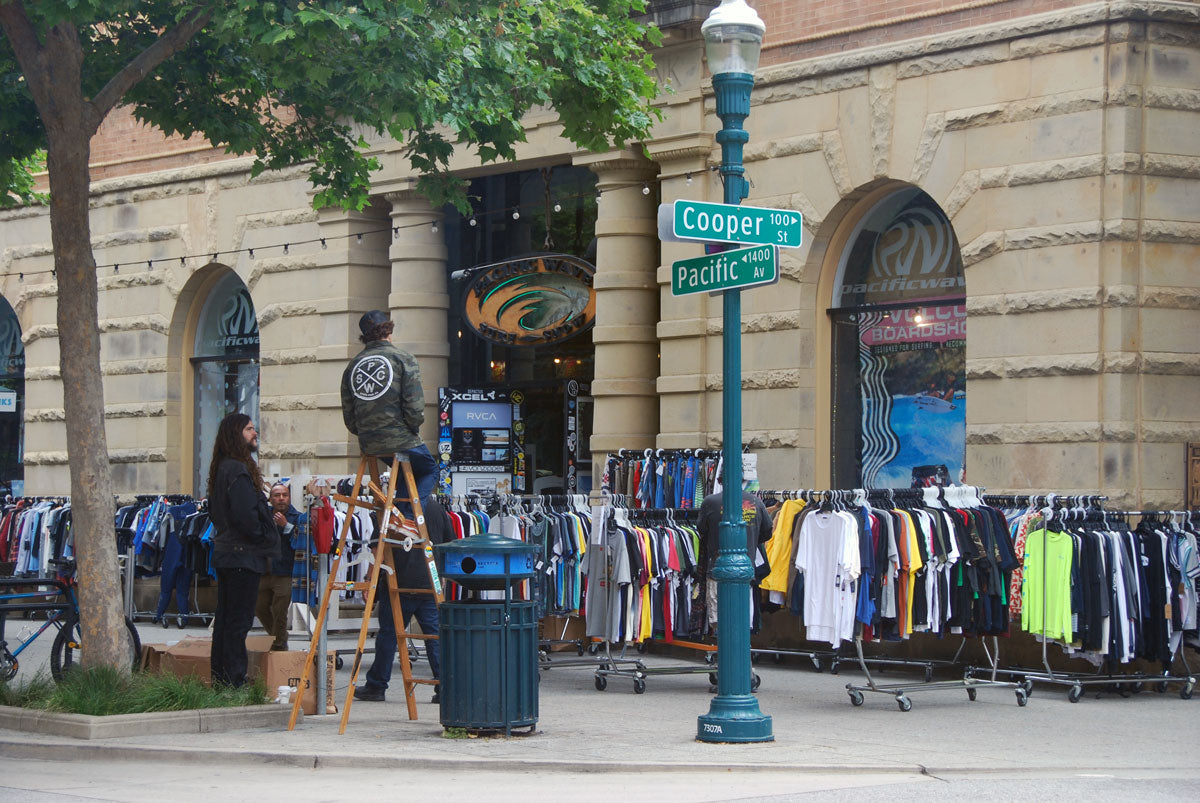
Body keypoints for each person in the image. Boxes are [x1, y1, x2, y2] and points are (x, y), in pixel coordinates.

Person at [353, 496, 452, 703]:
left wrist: (370, 577)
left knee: (388, 636)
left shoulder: (394, 507)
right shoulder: (436, 508)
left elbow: (376, 548)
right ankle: (445, 687)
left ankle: (376, 686)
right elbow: (448, 544)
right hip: (429, 581)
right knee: (434, 636)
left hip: (398, 581)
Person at [207, 413, 279, 687]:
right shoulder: (236, 469)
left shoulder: (223, 468)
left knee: (227, 620)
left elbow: (219, 512)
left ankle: (222, 678)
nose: (254, 433)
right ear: (236, 434)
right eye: (249, 429)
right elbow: (245, 514)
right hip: (241, 555)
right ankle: (234, 679)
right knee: (237, 621)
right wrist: (262, 536)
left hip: (230, 553)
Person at [340, 310, 436, 501]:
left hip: (369, 443)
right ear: (389, 331)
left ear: (364, 336)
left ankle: (396, 520)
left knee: (403, 468)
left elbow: (349, 415)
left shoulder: (353, 366)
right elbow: (414, 407)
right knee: (429, 469)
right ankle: (407, 519)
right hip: (400, 439)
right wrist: (411, 429)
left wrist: (366, 432)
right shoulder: (403, 358)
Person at [697, 490, 774, 632]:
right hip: (745, 571)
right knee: (742, 623)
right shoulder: (756, 502)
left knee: (721, 624)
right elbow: (767, 531)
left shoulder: (710, 502)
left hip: (718, 570)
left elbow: (701, 530)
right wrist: (749, 542)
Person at [255, 482, 305, 651]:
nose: (281, 499)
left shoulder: (297, 517)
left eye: (284, 495)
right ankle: (279, 638)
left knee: (279, 611)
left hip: (284, 572)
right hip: (264, 571)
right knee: (259, 607)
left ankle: (278, 646)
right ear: (271, 499)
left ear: (289, 498)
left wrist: (286, 526)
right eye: (277, 495)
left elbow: (300, 541)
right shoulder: (264, 516)